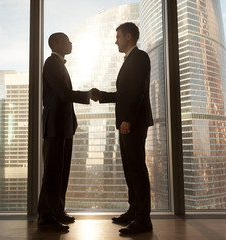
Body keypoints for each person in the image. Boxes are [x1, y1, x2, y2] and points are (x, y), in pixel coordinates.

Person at [91, 22, 154, 234]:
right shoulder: (129, 60)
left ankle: (143, 220)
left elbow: (138, 91)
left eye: (117, 36)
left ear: (128, 37)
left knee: (137, 169)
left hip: (133, 123)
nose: (115, 40)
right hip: (127, 122)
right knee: (130, 168)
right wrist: (103, 96)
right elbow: (125, 94)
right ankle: (134, 211)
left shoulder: (140, 57)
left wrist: (128, 119)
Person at [38, 32, 97, 232]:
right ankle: (46, 217)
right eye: (67, 41)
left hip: (63, 127)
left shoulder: (59, 64)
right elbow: (63, 94)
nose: (71, 44)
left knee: (62, 173)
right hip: (54, 127)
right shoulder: (51, 63)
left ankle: (57, 211)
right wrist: (88, 95)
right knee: (52, 174)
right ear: (55, 43)